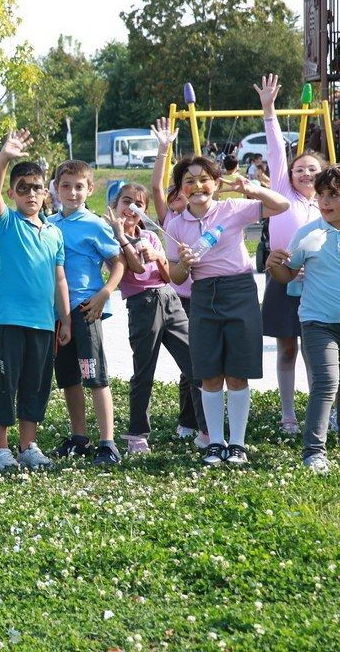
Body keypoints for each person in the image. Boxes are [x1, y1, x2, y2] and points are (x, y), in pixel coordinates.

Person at [165, 154, 289, 466]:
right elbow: (174, 276)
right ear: (180, 189)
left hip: (240, 291)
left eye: (204, 178)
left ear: (216, 183)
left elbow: (281, 206)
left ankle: (237, 443)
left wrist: (252, 189)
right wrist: (185, 264)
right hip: (204, 295)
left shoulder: (232, 208)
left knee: (237, 372)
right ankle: (214, 443)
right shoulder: (176, 224)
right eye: (189, 181)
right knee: (209, 373)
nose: (197, 186)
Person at [267, 165, 340, 472]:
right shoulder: (308, 232)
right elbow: (287, 275)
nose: (325, 201)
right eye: (321, 194)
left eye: (334, 195)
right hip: (316, 323)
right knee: (326, 383)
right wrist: (274, 264)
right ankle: (314, 451)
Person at [0, 130, 70, 473]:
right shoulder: (6, 224)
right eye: (23, 188)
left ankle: (28, 446)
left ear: (46, 194)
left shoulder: (54, 233)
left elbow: (60, 278)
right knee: (5, 384)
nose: (30, 193)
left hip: (44, 323)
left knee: (35, 385)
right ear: (12, 193)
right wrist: (5, 158)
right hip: (8, 320)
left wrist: (65, 319)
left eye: (36, 188)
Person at [107, 182, 206, 453]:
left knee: (194, 364)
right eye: (126, 202)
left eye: (139, 204)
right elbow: (136, 268)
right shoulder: (111, 239)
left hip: (169, 298)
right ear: (115, 206)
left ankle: (206, 428)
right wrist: (122, 237)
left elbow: (167, 276)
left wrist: (160, 256)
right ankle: (138, 433)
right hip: (142, 305)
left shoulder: (150, 236)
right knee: (144, 371)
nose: (131, 208)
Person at [254, 74, 326, 435]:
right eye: (300, 169)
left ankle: (319, 411)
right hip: (284, 276)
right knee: (287, 349)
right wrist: (269, 109)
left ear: (323, 175)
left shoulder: (328, 205)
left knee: (317, 351)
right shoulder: (283, 190)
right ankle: (287, 415)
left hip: (318, 284)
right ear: (289, 175)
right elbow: (275, 148)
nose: (305, 174)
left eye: (312, 170)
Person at [48, 160, 122, 465]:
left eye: (79, 186)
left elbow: (119, 263)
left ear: (89, 189)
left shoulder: (95, 224)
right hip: (58, 314)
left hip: (85, 311)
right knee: (68, 379)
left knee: (95, 376)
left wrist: (104, 294)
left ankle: (108, 442)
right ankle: (79, 438)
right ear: (56, 188)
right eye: (66, 186)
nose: (73, 192)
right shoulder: (49, 224)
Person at [149, 119, 209, 447]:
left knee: (202, 362)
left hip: (206, 294)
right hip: (180, 298)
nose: (175, 197)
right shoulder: (170, 220)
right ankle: (188, 419)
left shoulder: (203, 214)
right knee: (189, 363)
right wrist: (163, 150)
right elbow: (156, 187)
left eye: (181, 192)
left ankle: (204, 418)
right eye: (173, 192)